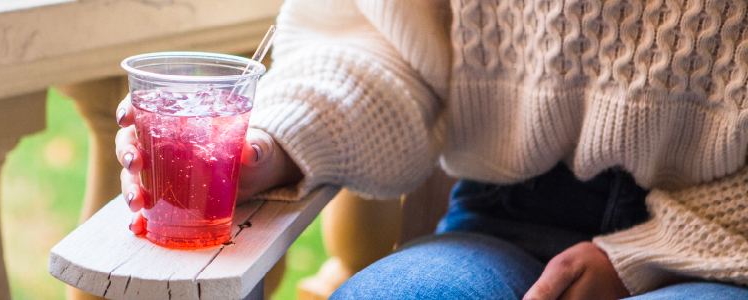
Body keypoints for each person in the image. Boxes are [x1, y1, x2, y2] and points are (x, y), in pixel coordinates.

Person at [115, 0, 748, 299]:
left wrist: (644, 257)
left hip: (724, 244)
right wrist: (275, 141)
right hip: (505, 208)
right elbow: (385, 43)